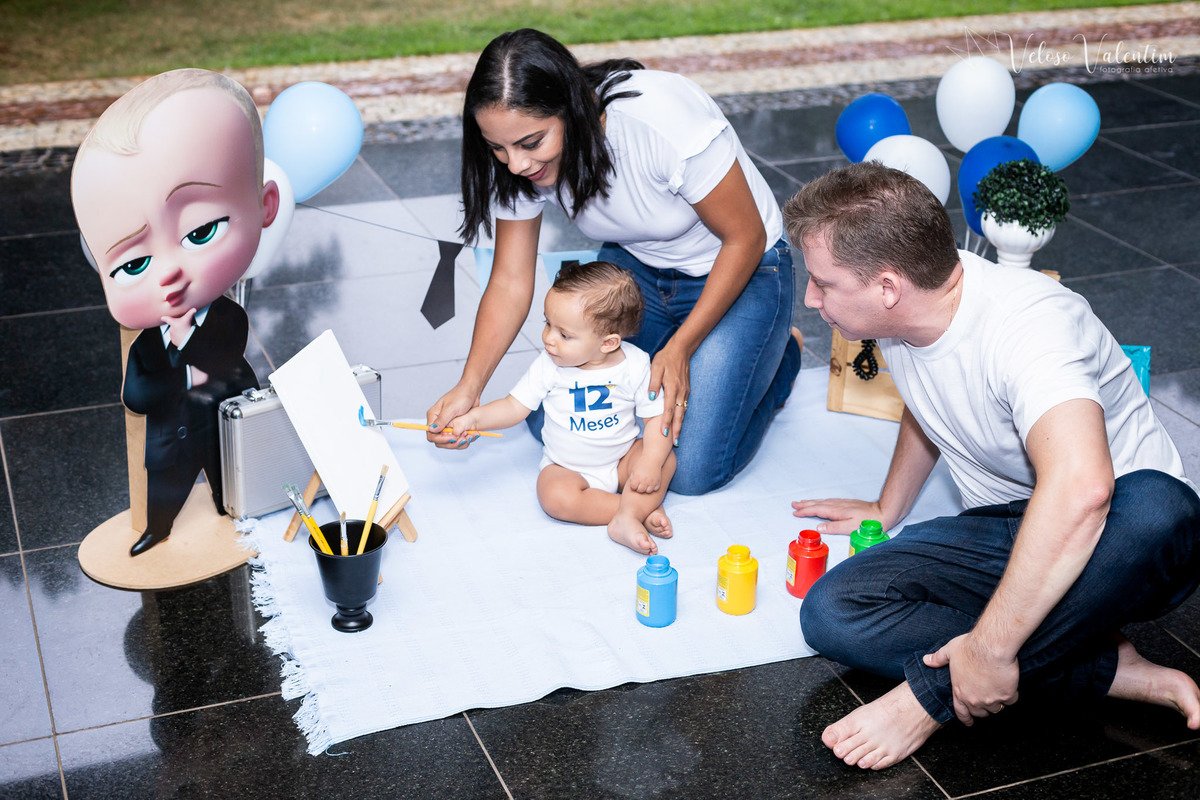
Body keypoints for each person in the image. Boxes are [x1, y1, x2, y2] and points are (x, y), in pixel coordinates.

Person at [784, 162, 1200, 770]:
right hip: (1012, 525)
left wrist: (981, 654)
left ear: (887, 287)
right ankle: (1105, 669)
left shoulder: (1030, 326)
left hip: (1119, 533)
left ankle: (935, 695)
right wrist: (885, 507)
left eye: (822, 283)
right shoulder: (905, 316)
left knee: (1159, 508)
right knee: (831, 612)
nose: (810, 299)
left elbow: (1084, 490)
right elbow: (928, 403)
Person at [427, 28, 801, 495]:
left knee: (688, 471)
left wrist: (680, 348)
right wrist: (470, 387)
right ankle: (729, 355)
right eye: (498, 148)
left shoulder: (657, 118)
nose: (516, 165)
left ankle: (781, 357)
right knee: (550, 416)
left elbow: (745, 237)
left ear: (570, 108)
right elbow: (509, 279)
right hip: (634, 271)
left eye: (531, 142)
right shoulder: (516, 163)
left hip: (743, 270)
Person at [72, 69, 280, 555]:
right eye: (134, 263)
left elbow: (225, 360)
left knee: (235, 483)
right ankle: (156, 529)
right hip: (168, 443)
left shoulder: (228, 319)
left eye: (201, 231)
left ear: (264, 205)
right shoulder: (145, 346)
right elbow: (137, 395)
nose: (168, 273)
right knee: (164, 493)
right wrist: (183, 380)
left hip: (227, 427)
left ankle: (240, 512)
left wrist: (187, 351)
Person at [447, 260, 676, 554]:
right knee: (554, 496)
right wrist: (474, 419)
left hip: (620, 459)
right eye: (547, 324)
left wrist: (649, 462)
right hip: (567, 467)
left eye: (564, 335)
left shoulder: (635, 364)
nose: (548, 339)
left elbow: (656, 418)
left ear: (608, 343)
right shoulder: (549, 365)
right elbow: (513, 407)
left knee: (663, 457)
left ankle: (630, 514)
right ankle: (634, 512)